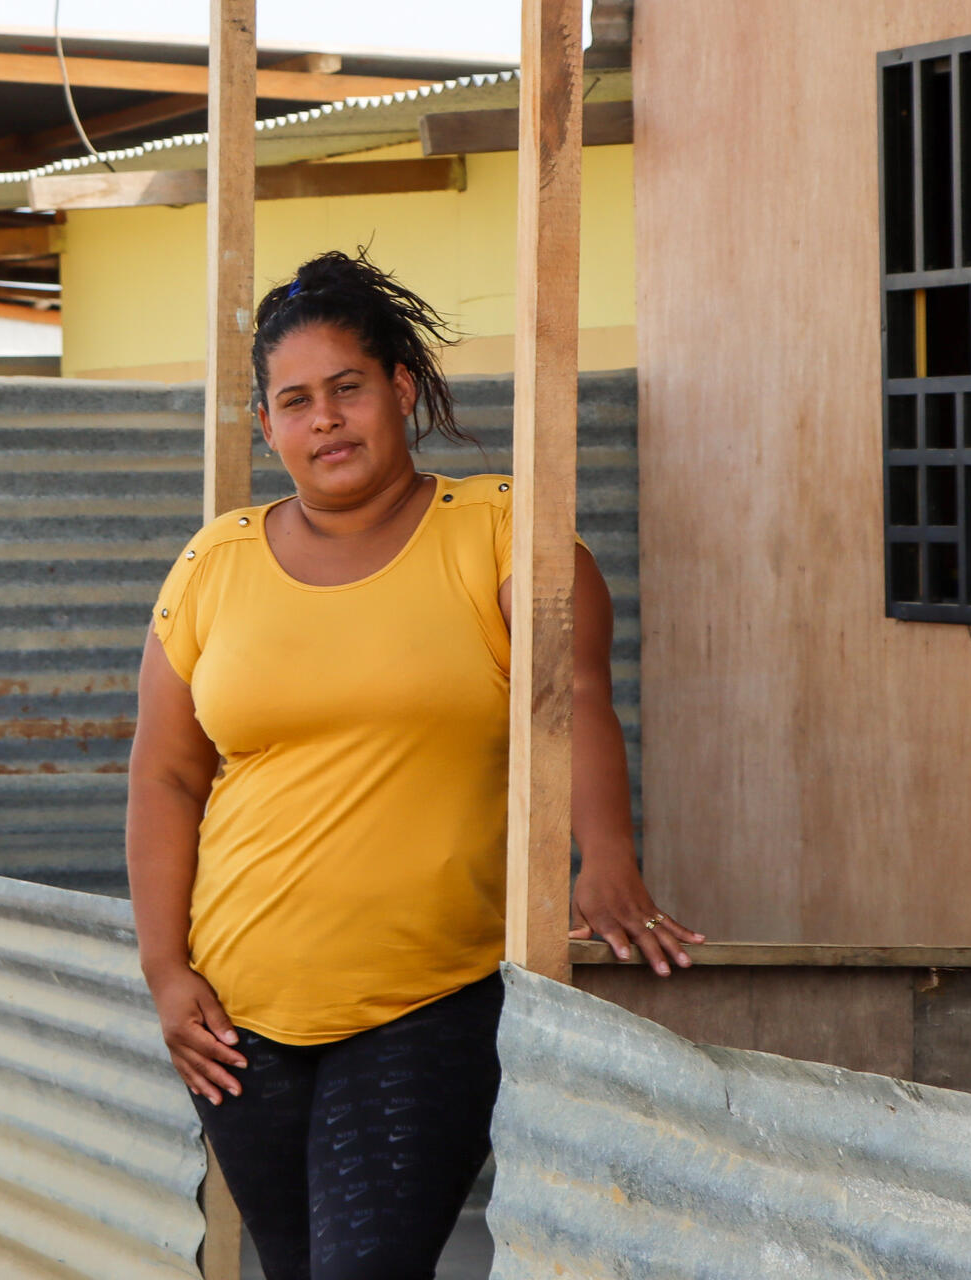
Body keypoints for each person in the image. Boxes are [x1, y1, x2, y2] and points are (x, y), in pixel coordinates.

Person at [125, 249, 704, 1280]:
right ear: (266, 426)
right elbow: (165, 776)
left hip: (428, 999)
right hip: (239, 1013)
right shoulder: (214, 564)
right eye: (296, 401)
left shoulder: (504, 533)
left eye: (347, 387)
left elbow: (571, 697)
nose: (326, 419)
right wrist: (166, 972)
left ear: (400, 388)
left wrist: (606, 857)